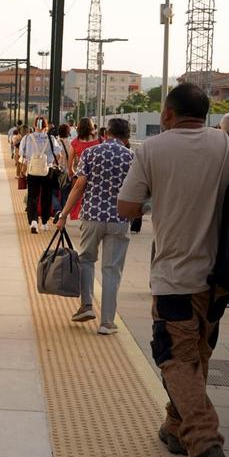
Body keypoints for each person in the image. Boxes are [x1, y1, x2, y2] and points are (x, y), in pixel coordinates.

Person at [117, 83, 229, 457]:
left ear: (168, 113)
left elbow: (127, 207)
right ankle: (174, 425)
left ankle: (205, 449)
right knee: (199, 353)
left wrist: (159, 195)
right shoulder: (226, 146)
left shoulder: (152, 150)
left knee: (174, 358)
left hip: (173, 276)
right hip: (219, 279)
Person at [56, 117, 134, 335]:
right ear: (126, 138)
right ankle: (107, 323)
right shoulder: (131, 156)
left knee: (86, 260)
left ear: (106, 134)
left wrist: (63, 215)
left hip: (91, 215)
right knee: (111, 270)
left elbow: (79, 185)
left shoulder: (91, 153)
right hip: (118, 220)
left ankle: (86, 306)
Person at [19, 116, 66, 233]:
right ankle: (44, 223)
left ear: (35, 125)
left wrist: (22, 170)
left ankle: (33, 222)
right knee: (46, 196)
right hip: (47, 171)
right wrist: (52, 163)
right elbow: (59, 155)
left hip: (32, 171)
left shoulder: (27, 138)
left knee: (32, 196)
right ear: (46, 126)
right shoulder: (51, 138)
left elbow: (23, 156)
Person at [67, 117, 101, 221]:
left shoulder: (75, 142)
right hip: (96, 174)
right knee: (94, 195)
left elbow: (71, 159)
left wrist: (71, 171)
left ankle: (75, 216)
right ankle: (92, 214)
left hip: (80, 173)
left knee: (76, 195)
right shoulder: (99, 141)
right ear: (91, 127)